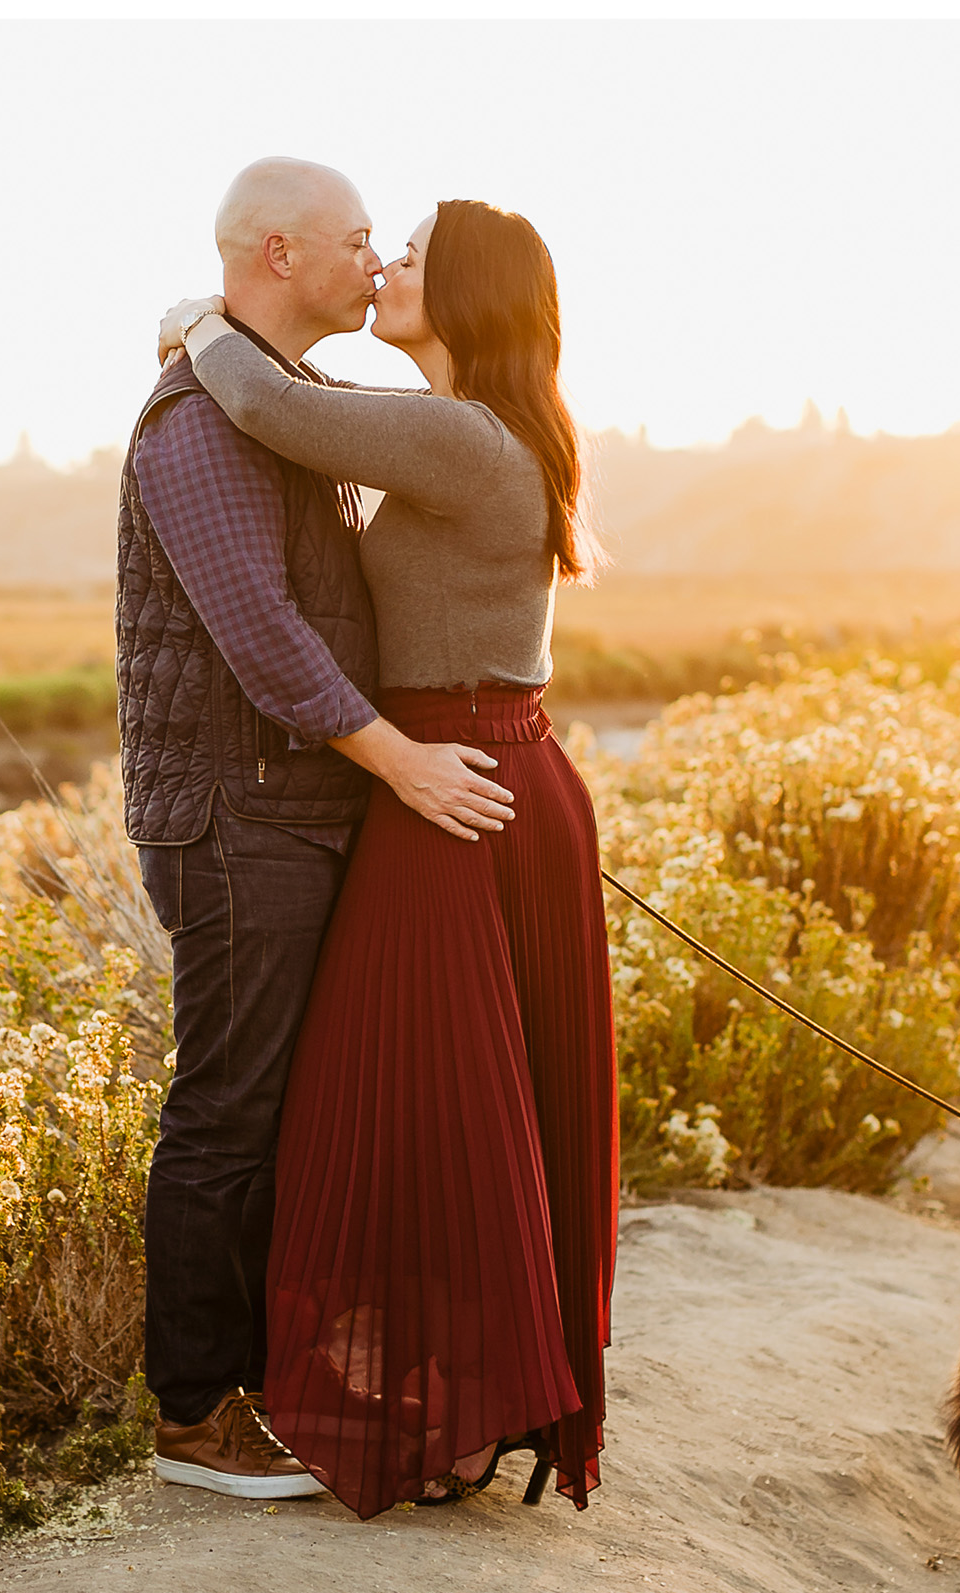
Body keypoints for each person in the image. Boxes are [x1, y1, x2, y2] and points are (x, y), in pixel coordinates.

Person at [160, 197, 618, 1519]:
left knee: (414, 1099)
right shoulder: (475, 430)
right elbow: (305, 403)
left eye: (413, 254)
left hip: (453, 788)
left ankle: (440, 1406)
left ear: (465, 293)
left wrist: (198, 319)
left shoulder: (456, 434)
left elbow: (274, 407)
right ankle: (455, 1402)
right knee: (458, 1102)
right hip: (480, 776)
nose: (391, 266)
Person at [118, 158, 517, 1501]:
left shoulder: (285, 409)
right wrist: (402, 763)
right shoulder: (193, 426)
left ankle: (273, 1379)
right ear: (280, 254)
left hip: (301, 809)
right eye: (358, 243)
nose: (376, 264)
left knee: (287, 1104)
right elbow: (262, 638)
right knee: (229, 1106)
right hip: (236, 814)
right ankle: (192, 1413)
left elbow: (311, 428)